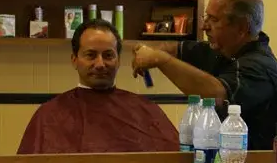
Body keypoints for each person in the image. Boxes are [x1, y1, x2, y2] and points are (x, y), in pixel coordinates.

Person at [131, 0, 277, 150]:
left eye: (213, 20)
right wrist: (150, 51)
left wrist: (160, 59)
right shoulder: (223, 49)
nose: (205, 26)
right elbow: (177, 49)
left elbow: (216, 94)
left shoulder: (260, 67)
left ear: (242, 27)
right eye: (206, 17)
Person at [16, 19, 179, 154]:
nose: (100, 64)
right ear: (74, 60)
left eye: (108, 55)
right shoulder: (48, 115)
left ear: (119, 60)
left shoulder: (145, 110)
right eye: (90, 55)